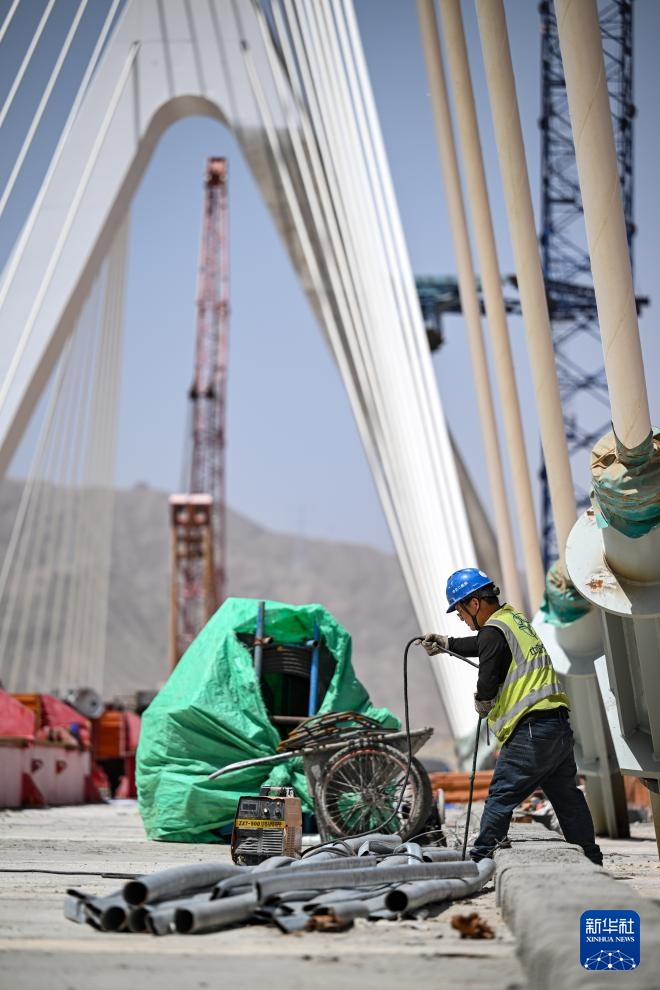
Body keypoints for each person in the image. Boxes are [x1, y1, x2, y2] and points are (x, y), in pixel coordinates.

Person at [422, 567, 602, 866]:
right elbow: (484, 644)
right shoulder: (513, 620)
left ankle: (479, 862)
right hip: (557, 727)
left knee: (501, 796)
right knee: (567, 798)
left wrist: (483, 701)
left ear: (474, 603)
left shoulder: (493, 630)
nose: (461, 618)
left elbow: (487, 676)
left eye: (461, 612)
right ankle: (592, 859)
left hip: (530, 730)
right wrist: (447, 643)